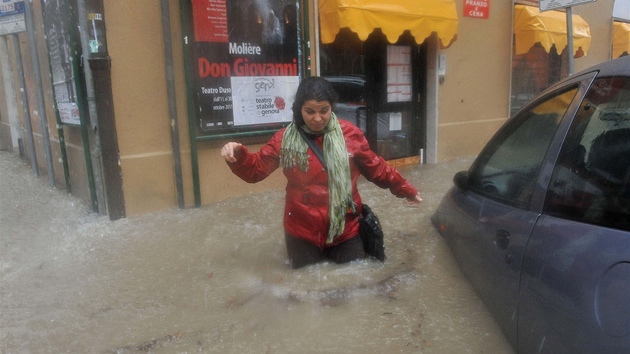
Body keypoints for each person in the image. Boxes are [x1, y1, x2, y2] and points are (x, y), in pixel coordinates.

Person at [221, 77, 422, 269]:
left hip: (346, 230)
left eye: (324, 110)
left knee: (354, 287)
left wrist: (405, 189)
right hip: (301, 234)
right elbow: (256, 171)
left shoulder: (350, 135)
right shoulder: (283, 140)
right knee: (304, 290)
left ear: (331, 108)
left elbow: (377, 168)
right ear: (299, 110)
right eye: (310, 111)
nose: (317, 118)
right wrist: (238, 155)